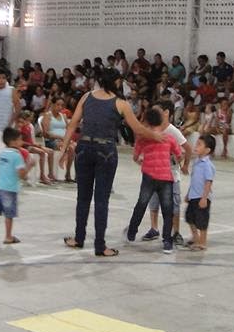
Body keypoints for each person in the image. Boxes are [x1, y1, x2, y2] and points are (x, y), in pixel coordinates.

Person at [60, 68, 163, 257]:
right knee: (101, 199)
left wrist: (64, 149)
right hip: (105, 151)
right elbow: (138, 129)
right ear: (116, 82)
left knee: (83, 197)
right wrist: (156, 136)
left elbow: (73, 124)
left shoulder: (86, 96)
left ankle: (79, 238)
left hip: (83, 148)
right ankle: (100, 246)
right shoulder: (121, 103)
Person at [126, 108, 182, 253]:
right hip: (166, 178)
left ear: (147, 122)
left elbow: (135, 157)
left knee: (141, 204)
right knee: (167, 210)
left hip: (149, 177)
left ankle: (131, 232)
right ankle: (167, 242)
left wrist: (141, 161)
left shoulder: (143, 138)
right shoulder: (169, 138)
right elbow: (179, 155)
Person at [143, 100, 190, 247]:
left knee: (173, 204)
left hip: (171, 175)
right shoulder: (152, 129)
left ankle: (176, 232)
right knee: (154, 202)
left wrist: (185, 165)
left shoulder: (172, 131)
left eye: (156, 111)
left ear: (166, 113)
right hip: (154, 172)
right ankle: (154, 228)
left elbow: (187, 148)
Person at [184, 134, 216, 251]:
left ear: (207, 150)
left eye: (199, 144)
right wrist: (188, 193)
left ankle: (202, 242)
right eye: (196, 143)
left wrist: (204, 198)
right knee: (189, 217)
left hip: (202, 197)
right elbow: (194, 180)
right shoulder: (196, 161)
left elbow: (208, 182)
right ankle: (195, 237)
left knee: (202, 221)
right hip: (193, 196)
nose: (196, 146)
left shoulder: (207, 165)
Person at [17, 110, 55, 185]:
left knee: (49, 151)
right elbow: (21, 142)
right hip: (24, 146)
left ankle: (48, 174)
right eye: (28, 119)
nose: (29, 121)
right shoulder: (20, 127)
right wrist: (38, 146)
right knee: (42, 152)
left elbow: (32, 141)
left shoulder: (29, 126)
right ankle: (42, 175)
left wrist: (40, 146)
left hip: (30, 145)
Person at [41, 99, 74, 182]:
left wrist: (68, 139)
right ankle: (51, 173)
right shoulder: (47, 115)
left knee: (74, 147)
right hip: (52, 140)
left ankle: (68, 173)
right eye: (58, 105)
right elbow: (46, 133)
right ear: (53, 105)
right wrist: (59, 137)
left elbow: (68, 130)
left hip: (64, 141)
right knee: (66, 147)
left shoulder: (64, 116)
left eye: (62, 105)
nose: (60, 107)